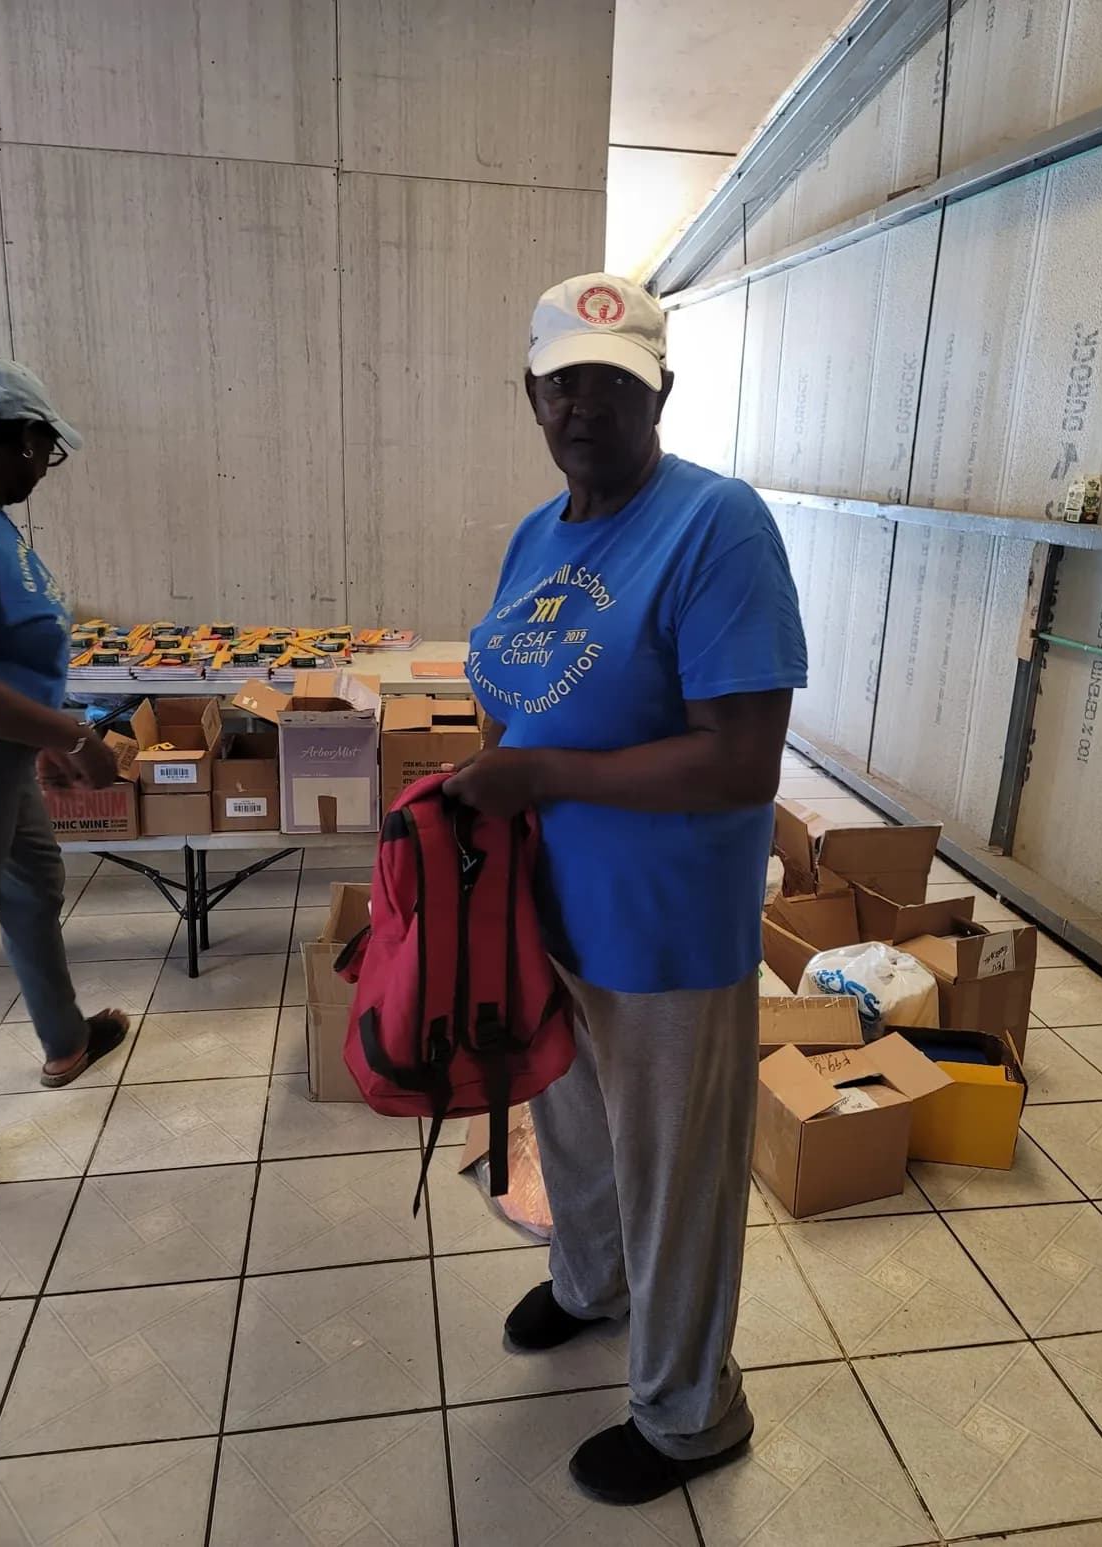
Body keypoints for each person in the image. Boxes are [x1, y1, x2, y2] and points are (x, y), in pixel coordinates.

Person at [447, 274, 808, 1505]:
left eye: (613, 378)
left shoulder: (716, 524)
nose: (583, 403)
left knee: (674, 1172)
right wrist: (500, 771)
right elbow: (509, 669)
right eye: (562, 380)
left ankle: (690, 1412)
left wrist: (539, 768)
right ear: (530, 393)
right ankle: (590, 1284)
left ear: (658, 388)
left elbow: (739, 754)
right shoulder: (535, 532)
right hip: (549, 903)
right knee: (574, 1124)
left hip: (664, 924)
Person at [0, 360, 129, 1171]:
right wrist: (70, 736)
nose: (46, 464)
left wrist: (40, 734)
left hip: (7, 751)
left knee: (33, 886)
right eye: (44, 447)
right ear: (13, 438)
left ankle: (65, 1041)